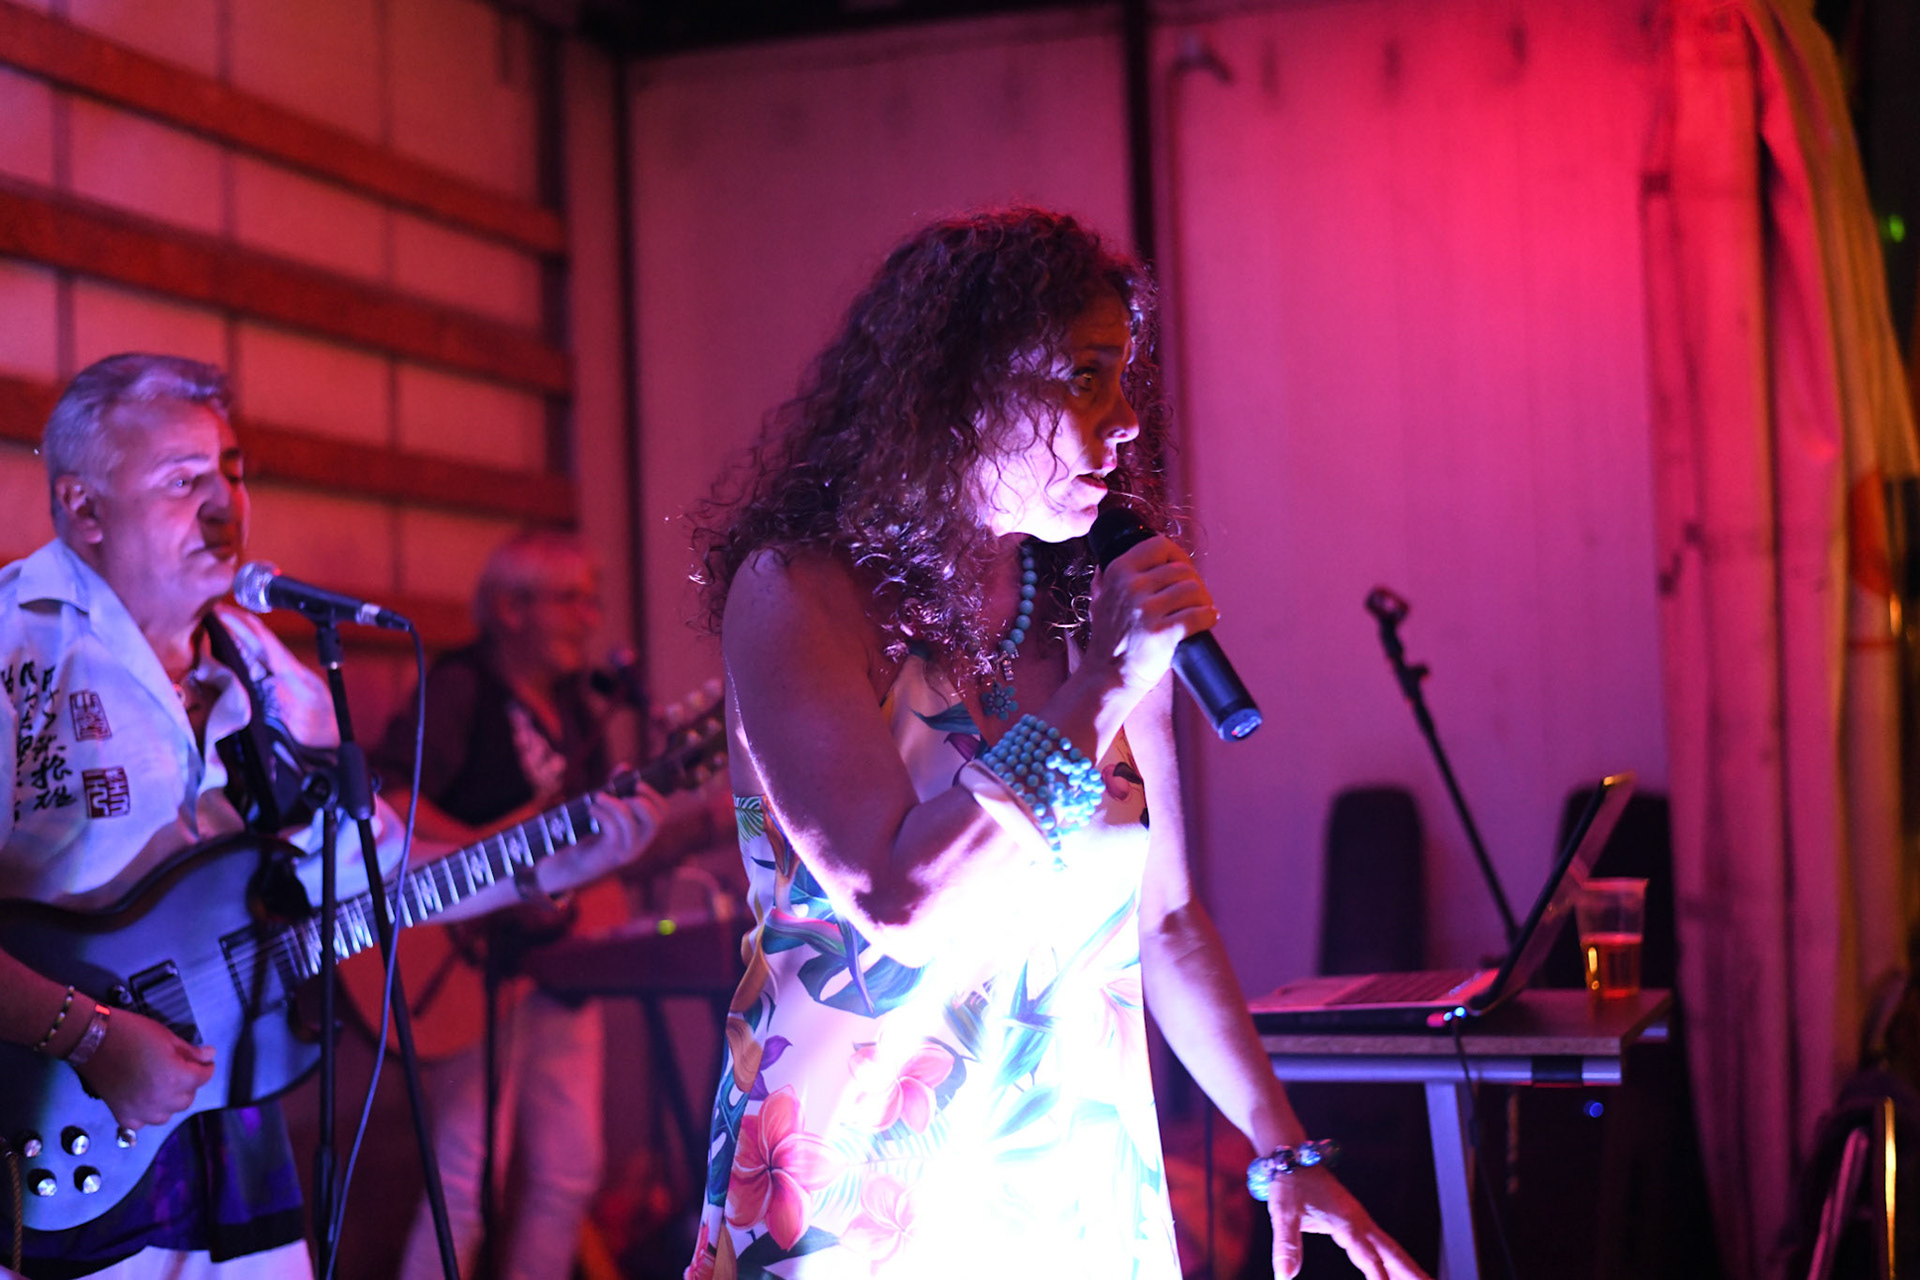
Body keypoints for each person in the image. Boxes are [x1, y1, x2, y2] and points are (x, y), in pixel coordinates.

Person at [683, 210, 1428, 1280]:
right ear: (960, 388)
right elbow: (899, 902)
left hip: (1066, 1199)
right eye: (1085, 377)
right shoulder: (799, 593)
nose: (1125, 422)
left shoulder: (1087, 609)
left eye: (1124, 378)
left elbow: (1165, 921)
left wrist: (1282, 1150)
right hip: (851, 1201)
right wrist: (1102, 685)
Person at [0, 354, 658, 1279]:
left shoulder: (270, 674)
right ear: (84, 507)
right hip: (48, 1115)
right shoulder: (17, 649)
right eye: (183, 481)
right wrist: (91, 1037)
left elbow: (374, 875)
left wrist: (541, 865)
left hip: (235, 1124)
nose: (224, 506)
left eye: (233, 472)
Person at [375, 531, 725, 1280]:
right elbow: (390, 804)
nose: (589, 618)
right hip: (469, 966)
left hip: (561, 968)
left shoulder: (575, 709)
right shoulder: (463, 689)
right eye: (571, 599)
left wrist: (707, 824)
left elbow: (597, 850)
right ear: (510, 609)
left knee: (569, 1171)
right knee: (464, 1179)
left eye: (591, 600)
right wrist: (493, 869)